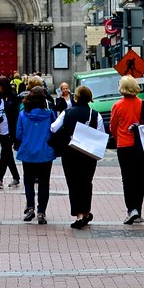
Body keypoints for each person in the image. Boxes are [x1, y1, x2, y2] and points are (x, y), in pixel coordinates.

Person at [49, 85, 103, 229]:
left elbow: (53, 127)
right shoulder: (95, 114)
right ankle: (86, 212)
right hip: (88, 153)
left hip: (70, 152)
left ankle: (79, 215)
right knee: (86, 182)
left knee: (73, 183)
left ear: (76, 97)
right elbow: (100, 133)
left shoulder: (67, 113)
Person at [107, 75, 144, 225]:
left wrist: (119, 136)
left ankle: (131, 210)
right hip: (141, 147)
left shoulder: (117, 106)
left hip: (124, 147)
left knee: (127, 179)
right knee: (139, 179)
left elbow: (112, 127)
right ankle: (138, 211)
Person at [15, 85, 57, 225]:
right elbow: (54, 131)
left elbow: (19, 134)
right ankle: (41, 212)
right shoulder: (50, 114)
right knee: (44, 183)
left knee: (28, 182)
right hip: (45, 153)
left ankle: (30, 207)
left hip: (28, 153)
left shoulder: (23, 114)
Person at [0, 78, 21, 189]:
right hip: (0, 130)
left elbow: (15, 114)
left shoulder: (13, 98)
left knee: (5, 153)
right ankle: (16, 177)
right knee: (7, 154)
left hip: (10, 130)